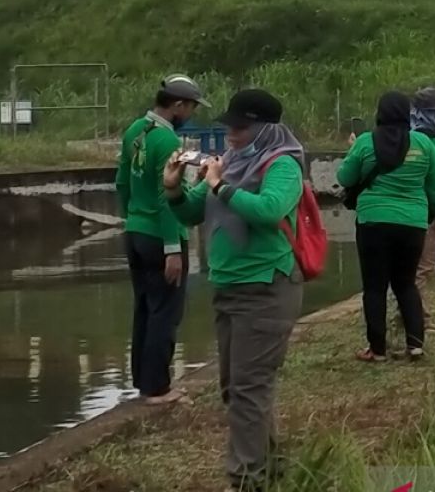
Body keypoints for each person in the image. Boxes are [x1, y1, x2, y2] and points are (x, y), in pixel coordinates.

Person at [164, 89, 305, 491]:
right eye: (229, 125)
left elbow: (269, 210)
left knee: (248, 387)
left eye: (241, 127)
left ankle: (245, 480)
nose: (232, 134)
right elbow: (193, 210)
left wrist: (221, 186)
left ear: (265, 129)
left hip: (266, 288)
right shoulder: (230, 163)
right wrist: (174, 189)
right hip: (229, 288)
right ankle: (270, 466)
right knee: (237, 387)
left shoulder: (283, 166)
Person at [115, 74, 207, 405]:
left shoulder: (135, 130)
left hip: (135, 232)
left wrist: (132, 217)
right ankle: (158, 388)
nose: (191, 115)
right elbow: (166, 195)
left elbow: (121, 181)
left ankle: (143, 380)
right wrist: (173, 249)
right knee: (165, 312)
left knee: (144, 308)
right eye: (192, 108)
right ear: (178, 106)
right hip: (161, 235)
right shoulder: (168, 142)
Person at [338, 91, 435, 362]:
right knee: (406, 284)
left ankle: (377, 350)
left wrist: (353, 149)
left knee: (374, 287)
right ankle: (415, 345)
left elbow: (344, 176)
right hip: (412, 223)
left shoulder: (365, 142)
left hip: (373, 222)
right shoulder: (423, 143)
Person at [409, 86, 435, 329]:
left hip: (411, 210)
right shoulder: (429, 140)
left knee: (413, 269)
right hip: (427, 212)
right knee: (421, 269)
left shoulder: (412, 135)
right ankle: (416, 318)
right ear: (432, 112)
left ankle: (416, 313)